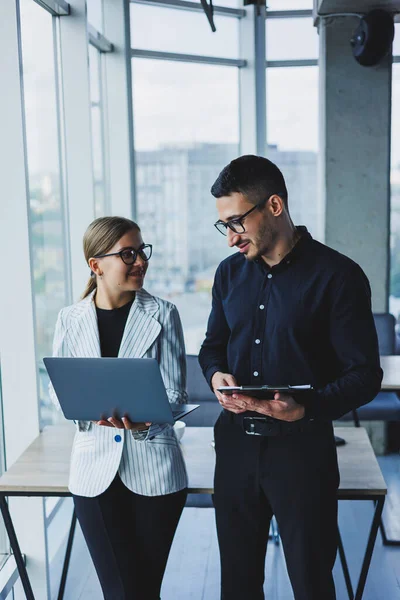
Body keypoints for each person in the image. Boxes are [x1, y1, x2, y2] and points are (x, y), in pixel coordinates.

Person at [198, 155, 382, 600]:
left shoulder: (339, 276)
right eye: (224, 225)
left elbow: (365, 374)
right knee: (237, 586)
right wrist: (216, 374)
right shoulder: (228, 274)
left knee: (311, 583)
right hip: (236, 447)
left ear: (275, 206)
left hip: (303, 453)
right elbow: (212, 348)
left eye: (237, 222)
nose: (230, 239)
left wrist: (308, 407)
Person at [49, 216, 188, 600]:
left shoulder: (163, 314)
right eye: (128, 254)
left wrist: (144, 420)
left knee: (143, 591)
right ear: (96, 265)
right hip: (94, 474)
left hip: (155, 471)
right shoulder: (69, 319)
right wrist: (85, 407)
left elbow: (176, 394)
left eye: (142, 251)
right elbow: (57, 390)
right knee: (120, 591)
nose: (140, 261)